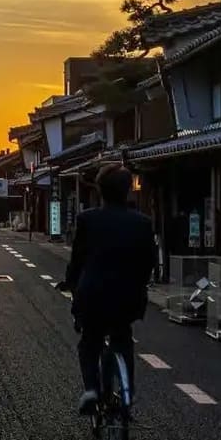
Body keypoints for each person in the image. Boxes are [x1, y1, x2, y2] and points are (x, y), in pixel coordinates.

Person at [61, 165, 155, 415]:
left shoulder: (88, 219)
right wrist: (140, 285)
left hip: (93, 294)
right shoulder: (143, 223)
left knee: (90, 340)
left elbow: (77, 260)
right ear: (128, 191)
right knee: (122, 338)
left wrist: (70, 283)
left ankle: (91, 389)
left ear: (100, 191)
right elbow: (149, 262)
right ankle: (128, 391)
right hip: (128, 296)